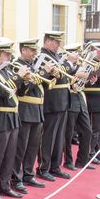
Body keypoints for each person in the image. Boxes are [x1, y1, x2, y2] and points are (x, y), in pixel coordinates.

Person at [0, 41, 28, 199]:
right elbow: (3, 92)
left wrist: (24, 81)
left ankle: (5, 185)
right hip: (0, 115)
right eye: (6, 54)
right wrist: (19, 77)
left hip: (13, 115)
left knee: (10, 154)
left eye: (10, 54)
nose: (9, 57)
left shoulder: (9, 71)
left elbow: (20, 92)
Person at [11, 39, 45, 193]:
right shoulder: (17, 66)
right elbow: (22, 91)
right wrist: (33, 78)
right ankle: (16, 178)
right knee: (20, 148)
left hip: (37, 109)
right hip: (25, 110)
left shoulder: (33, 66)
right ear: (23, 50)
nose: (34, 53)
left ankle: (28, 174)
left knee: (33, 146)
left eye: (35, 50)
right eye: (31, 50)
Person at [36, 31, 71, 181]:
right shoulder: (42, 57)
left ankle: (55, 166)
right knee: (48, 138)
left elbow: (65, 74)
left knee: (59, 138)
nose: (59, 45)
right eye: (56, 42)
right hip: (51, 102)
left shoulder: (57, 57)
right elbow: (43, 77)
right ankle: (44, 168)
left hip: (62, 101)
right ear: (48, 42)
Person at [61, 43, 94, 171]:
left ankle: (82, 160)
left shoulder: (80, 66)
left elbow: (81, 83)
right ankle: (68, 161)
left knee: (87, 131)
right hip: (69, 99)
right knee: (68, 134)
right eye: (75, 53)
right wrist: (75, 77)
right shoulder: (64, 66)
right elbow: (62, 81)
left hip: (80, 99)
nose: (78, 56)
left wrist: (90, 80)